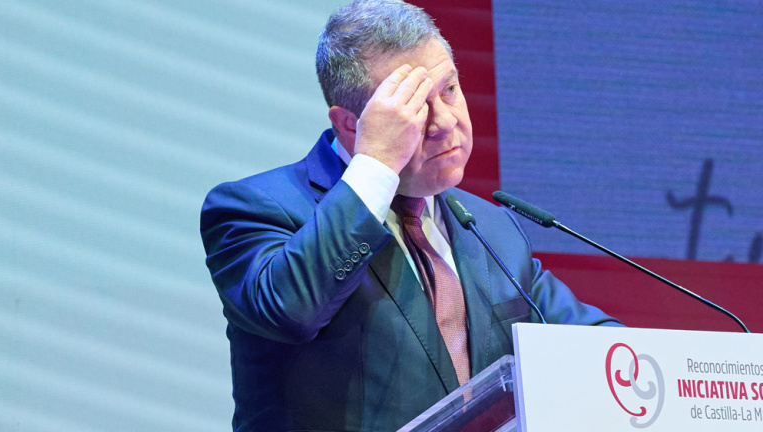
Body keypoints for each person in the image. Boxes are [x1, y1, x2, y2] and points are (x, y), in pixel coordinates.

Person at [200, 1, 621, 431]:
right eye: (413, 107)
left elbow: (598, 347)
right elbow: (291, 310)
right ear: (350, 124)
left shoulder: (492, 227)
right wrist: (376, 165)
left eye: (449, 89)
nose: (445, 122)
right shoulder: (253, 207)